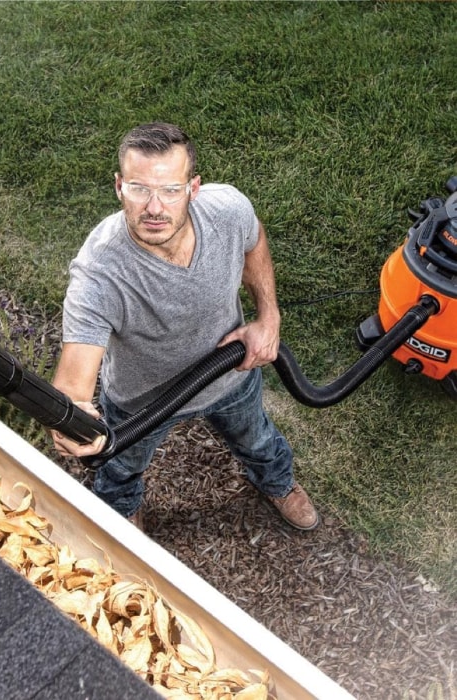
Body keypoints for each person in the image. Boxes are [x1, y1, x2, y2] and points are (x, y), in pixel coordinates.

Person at [50, 122, 318, 532]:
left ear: (193, 188)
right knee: (121, 468)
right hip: (142, 402)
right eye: (140, 188)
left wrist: (269, 317)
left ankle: (278, 483)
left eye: (170, 190)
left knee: (259, 442)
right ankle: (121, 515)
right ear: (119, 186)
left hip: (231, 375)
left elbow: (254, 239)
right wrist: (71, 418)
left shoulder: (227, 211)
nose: (155, 207)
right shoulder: (100, 273)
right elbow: (73, 385)